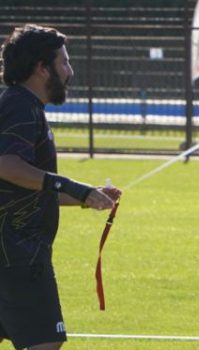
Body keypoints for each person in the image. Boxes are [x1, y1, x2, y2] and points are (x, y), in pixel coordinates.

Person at [0, 24, 121, 350]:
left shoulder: (22, 105)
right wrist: (72, 185)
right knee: (45, 343)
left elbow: (28, 182)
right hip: (18, 256)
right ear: (42, 69)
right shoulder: (20, 106)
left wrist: (87, 196)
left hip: (14, 254)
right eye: (64, 62)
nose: (70, 71)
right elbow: (6, 165)